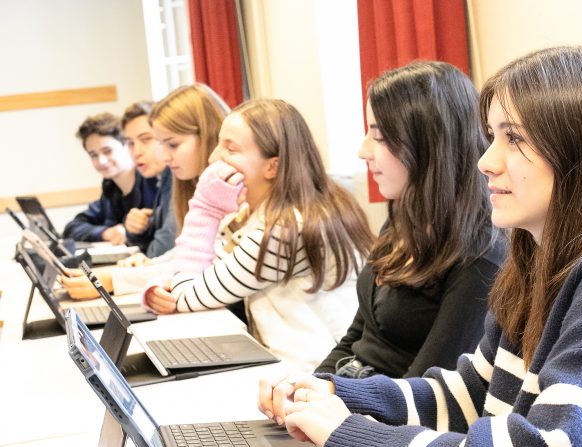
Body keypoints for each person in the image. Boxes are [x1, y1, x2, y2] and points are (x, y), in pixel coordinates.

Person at [258, 46, 582, 447]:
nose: (486, 161)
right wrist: (343, 395)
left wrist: (350, 437)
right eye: (491, 136)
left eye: (513, 138)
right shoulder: (543, 259)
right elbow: (473, 395)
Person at [144, 99, 374, 371]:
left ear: (272, 167)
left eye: (230, 148)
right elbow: (204, 273)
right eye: (219, 143)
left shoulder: (286, 230)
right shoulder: (262, 215)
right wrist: (163, 289)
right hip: (291, 365)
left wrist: (205, 210)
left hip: (313, 374)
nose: (213, 158)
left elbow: (187, 297)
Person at [314, 61, 505, 379]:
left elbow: (428, 390)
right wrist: (310, 390)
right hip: (354, 395)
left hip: (390, 417)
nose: (363, 151)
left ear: (429, 145)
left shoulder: (482, 254)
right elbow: (358, 337)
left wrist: (332, 404)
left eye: (378, 136)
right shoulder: (403, 219)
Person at [61, 84, 229, 300]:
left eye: (171, 144)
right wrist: (147, 263)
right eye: (131, 143)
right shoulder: (114, 186)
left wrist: (116, 278)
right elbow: (186, 251)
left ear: (206, 134)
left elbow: (200, 260)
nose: (165, 156)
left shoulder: (224, 185)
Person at [63, 112, 154, 244]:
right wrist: (106, 233)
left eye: (107, 151)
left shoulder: (151, 182)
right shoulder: (110, 188)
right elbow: (73, 227)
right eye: (93, 155)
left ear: (128, 146)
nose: (101, 161)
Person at [121, 100, 176, 258]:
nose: (136, 152)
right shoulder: (157, 178)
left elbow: (160, 252)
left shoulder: (175, 176)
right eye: (130, 143)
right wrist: (135, 231)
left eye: (146, 139)